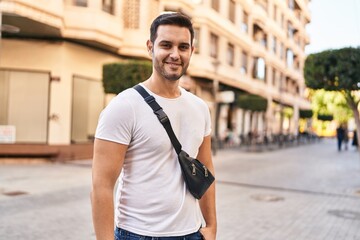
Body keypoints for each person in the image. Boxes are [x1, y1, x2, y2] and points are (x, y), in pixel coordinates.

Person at [91, 12, 217, 240]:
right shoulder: (124, 106)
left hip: (191, 232)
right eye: (166, 45)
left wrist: (212, 227)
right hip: (138, 234)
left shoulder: (200, 108)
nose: (175, 54)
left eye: (183, 47)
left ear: (192, 51)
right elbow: (101, 185)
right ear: (150, 47)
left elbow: (206, 167)